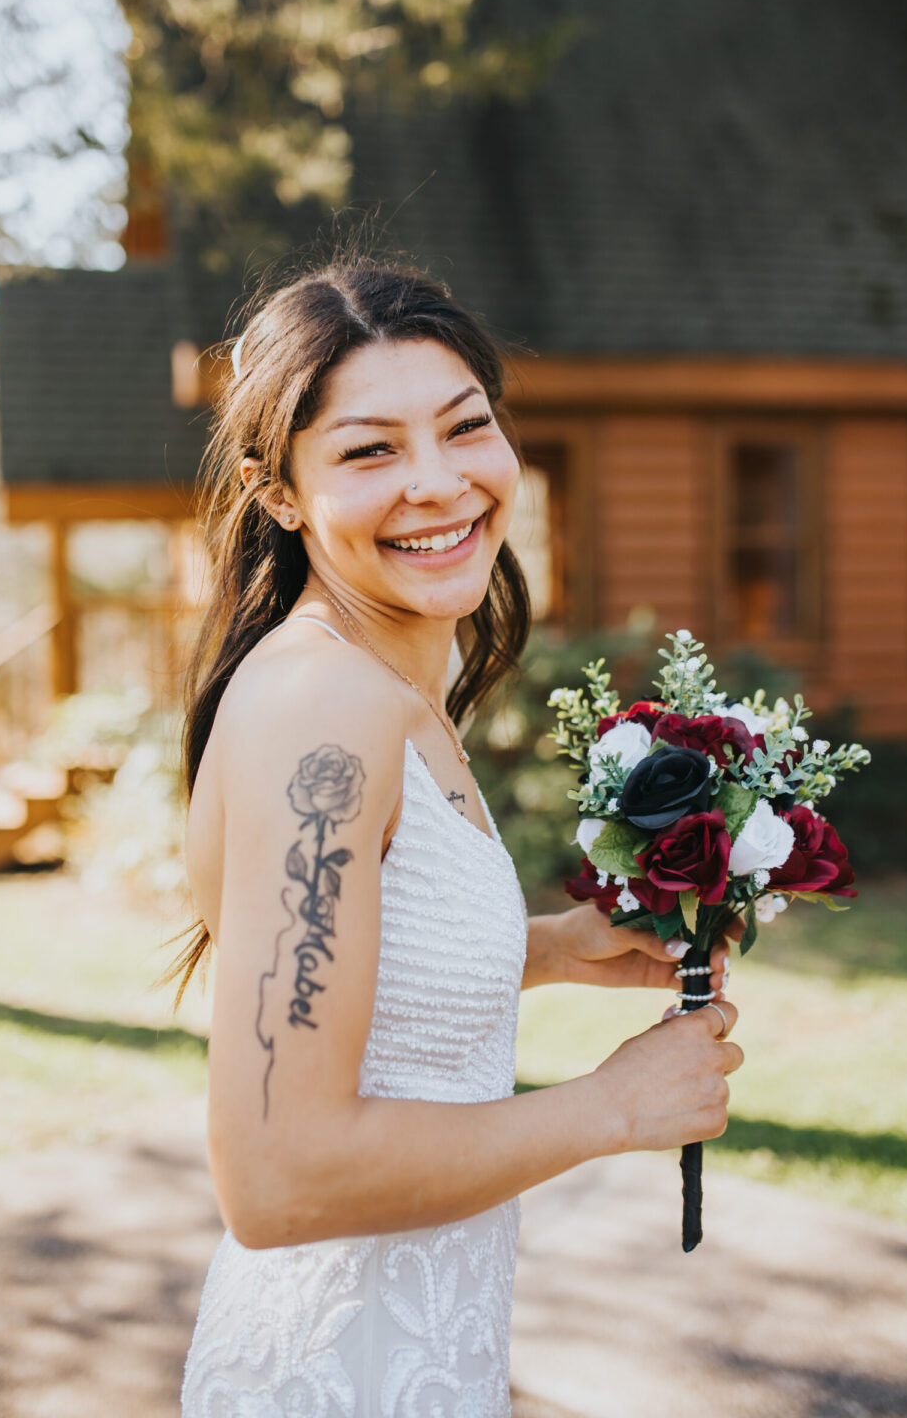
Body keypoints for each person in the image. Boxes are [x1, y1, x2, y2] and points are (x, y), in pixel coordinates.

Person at [171, 257, 742, 1417]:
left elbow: (358, 981)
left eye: (464, 427)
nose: (438, 484)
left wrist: (543, 948)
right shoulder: (320, 710)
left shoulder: (387, 688)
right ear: (277, 491)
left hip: (426, 1353)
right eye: (370, 450)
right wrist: (613, 1106)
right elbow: (277, 1177)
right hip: (334, 1376)